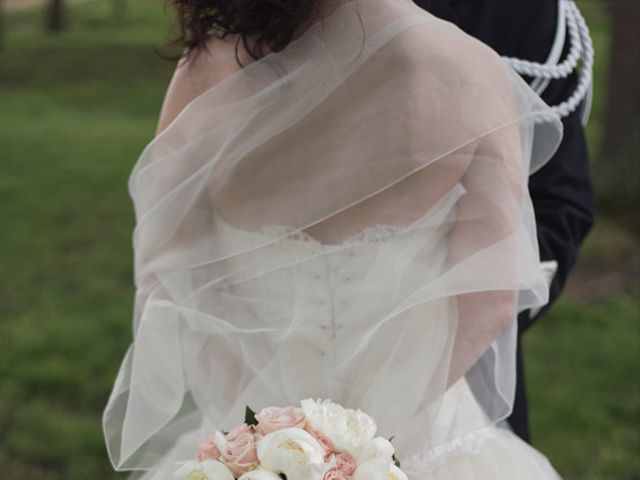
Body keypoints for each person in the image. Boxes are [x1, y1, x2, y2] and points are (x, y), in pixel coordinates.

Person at [103, 0, 574, 478]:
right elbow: (491, 296)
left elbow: (166, 267)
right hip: (428, 437)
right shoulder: (466, 66)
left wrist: (257, 431)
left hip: (257, 445)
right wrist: (367, 447)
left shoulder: (203, 70)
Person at [414, 0, 596, 443]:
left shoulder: (525, 13)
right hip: (263, 347)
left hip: (457, 368)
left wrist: (468, 324)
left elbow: (558, 203)